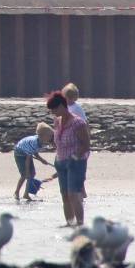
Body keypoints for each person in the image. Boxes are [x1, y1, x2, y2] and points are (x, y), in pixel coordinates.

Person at [48, 89, 91, 227]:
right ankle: (69, 223)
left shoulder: (78, 123)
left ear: (61, 106)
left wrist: (74, 157)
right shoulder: (57, 121)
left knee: (74, 194)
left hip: (75, 162)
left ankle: (79, 224)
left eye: (54, 109)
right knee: (65, 196)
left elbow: (86, 145)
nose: (52, 113)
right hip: (60, 162)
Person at [13, 122, 54, 203]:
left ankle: (26, 194)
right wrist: (27, 171)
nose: (50, 138)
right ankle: (16, 192)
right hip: (20, 154)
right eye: (49, 136)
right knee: (25, 175)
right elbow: (28, 158)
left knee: (32, 174)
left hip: (27, 153)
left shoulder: (40, 142)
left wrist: (42, 160)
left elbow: (34, 152)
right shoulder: (34, 142)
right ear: (41, 136)